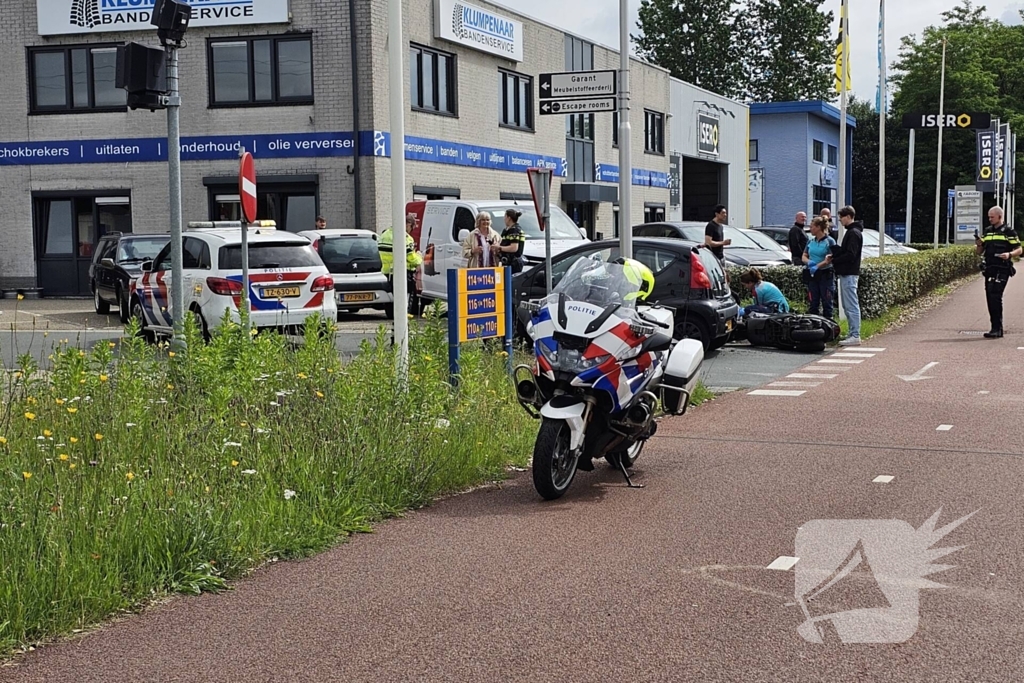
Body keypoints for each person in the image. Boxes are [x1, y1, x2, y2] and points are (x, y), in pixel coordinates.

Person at [975, 205, 1021, 338]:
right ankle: (995, 328)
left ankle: (997, 329)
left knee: (995, 295)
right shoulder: (988, 231)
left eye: (992, 217)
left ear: (1000, 217)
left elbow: (1019, 249)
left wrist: (1009, 254)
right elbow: (979, 252)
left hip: (1002, 268)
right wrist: (979, 244)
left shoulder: (1009, 232)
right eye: (989, 217)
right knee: (990, 297)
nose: (990, 219)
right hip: (989, 269)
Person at [830, 206, 864, 346]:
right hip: (848, 273)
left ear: (849, 216)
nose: (840, 220)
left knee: (851, 305)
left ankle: (855, 334)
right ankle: (852, 333)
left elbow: (850, 254)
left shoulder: (853, 233)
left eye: (841, 217)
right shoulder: (853, 232)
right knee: (848, 304)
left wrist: (835, 259)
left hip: (849, 273)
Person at [378, 214, 423, 317]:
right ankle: (403, 317)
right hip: (404, 272)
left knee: (392, 297)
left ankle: (393, 317)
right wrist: (419, 257)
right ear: (408, 224)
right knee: (404, 297)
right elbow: (411, 258)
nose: (411, 231)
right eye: (412, 227)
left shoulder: (384, 235)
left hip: (387, 272)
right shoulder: (406, 238)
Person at [803, 216, 836, 318]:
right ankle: (814, 323)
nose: (810, 229)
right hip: (813, 275)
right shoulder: (810, 241)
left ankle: (828, 323)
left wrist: (817, 266)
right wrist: (809, 262)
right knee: (813, 301)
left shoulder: (830, 241)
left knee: (827, 302)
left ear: (818, 227)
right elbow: (804, 255)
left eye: (812, 226)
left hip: (825, 275)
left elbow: (829, 259)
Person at [494, 209, 526, 273]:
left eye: (505, 216)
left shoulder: (514, 230)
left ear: (509, 218)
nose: (504, 219)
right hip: (507, 261)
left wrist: (499, 248)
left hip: (513, 262)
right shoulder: (507, 230)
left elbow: (514, 248)